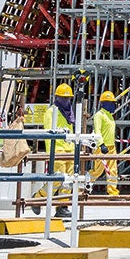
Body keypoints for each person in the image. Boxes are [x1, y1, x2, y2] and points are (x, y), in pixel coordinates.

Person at [30, 83, 76, 215]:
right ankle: (38, 198)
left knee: (68, 181)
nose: (66, 101)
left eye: (68, 98)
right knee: (57, 180)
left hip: (70, 150)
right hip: (57, 151)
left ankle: (62, 206)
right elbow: (50, 131)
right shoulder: (51, 111)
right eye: (63, 98)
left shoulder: (70, 113)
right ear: (57, 97)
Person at [89, 91, 120, 196]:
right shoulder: (99, 115)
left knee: (113, 170)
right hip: (101, 148)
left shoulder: (110, 116)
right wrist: (101, 144)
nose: (113, 105)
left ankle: (113, 192)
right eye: (111, 102)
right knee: (97, 171)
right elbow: (97, 130)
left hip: (111, 147)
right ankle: (84, 186)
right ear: (104, 103)